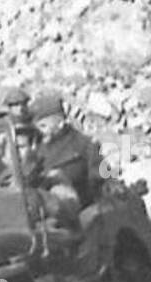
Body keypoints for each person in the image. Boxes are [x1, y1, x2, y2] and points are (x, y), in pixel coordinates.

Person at [22, 89, 105, 228]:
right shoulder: (37, 150)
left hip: (80, 211)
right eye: (38, 127)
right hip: (43, 211)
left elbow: (101, 175)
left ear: (59, 122)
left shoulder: (83, 144)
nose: (40, 131)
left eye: (44, 126)